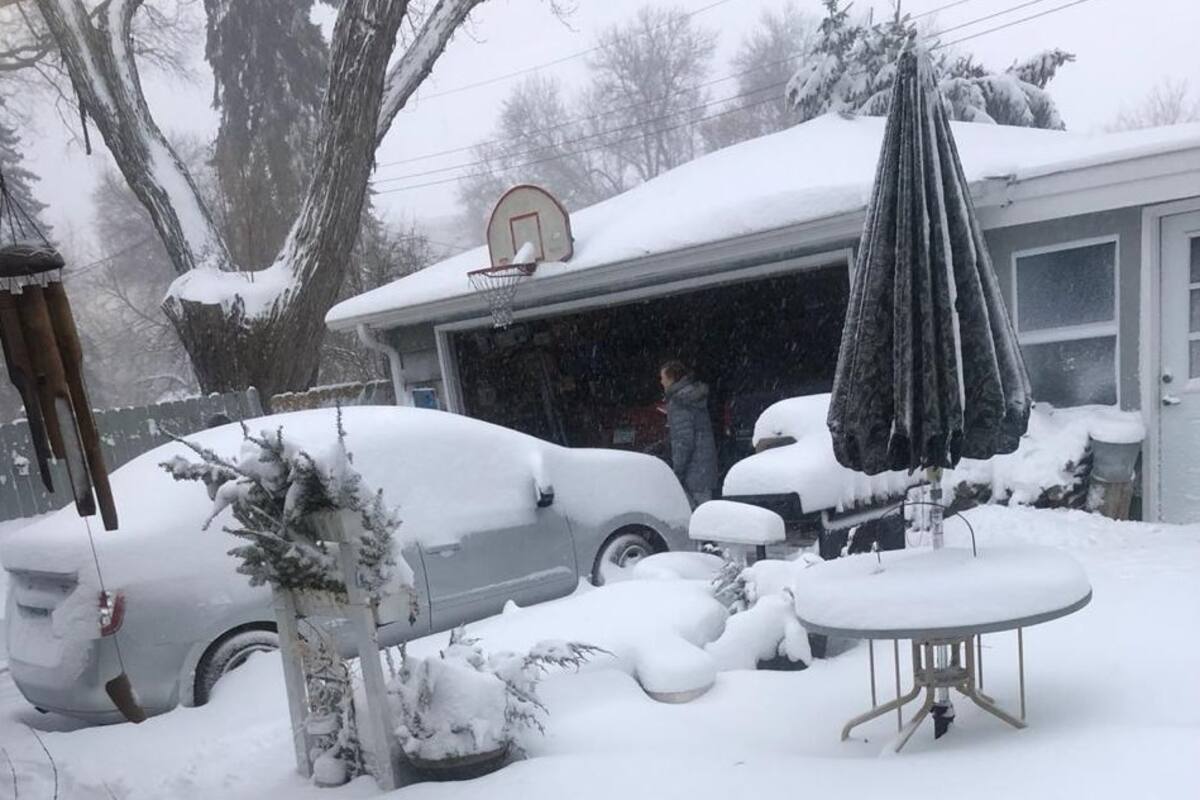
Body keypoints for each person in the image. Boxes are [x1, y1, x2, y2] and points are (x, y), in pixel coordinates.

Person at [660, 360, 718, 508]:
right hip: (703, 467)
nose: (661, 382)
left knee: (694, 516)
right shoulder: (692, 397)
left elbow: (683, 440)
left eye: (663, 378)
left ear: (672, 378)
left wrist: (677, 472)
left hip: (691, 472)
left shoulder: (679, 402)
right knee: (706, 512)